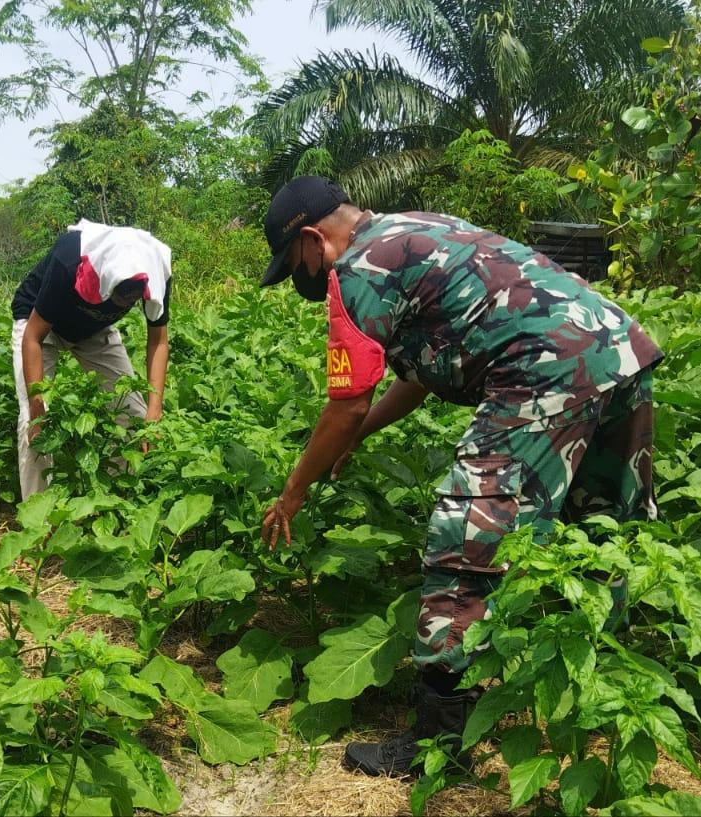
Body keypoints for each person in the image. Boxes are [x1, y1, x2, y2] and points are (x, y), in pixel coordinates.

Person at [257, 176, 663, 777]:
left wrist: (293, 493)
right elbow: (415, 379)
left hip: (542, 369)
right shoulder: (417, 229)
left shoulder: (358, 274)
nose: (303, 281)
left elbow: (345, 404)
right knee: (603, 520)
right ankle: (613, 683)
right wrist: (356, 440)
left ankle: (438, 746)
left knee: (468, 536)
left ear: (316, 239)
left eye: (298, 265)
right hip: (614, 348)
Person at [11, 219, 172, 500]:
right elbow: (33, 338)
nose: (126, 306)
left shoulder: (155, 268)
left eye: (133, 301)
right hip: (39, 325)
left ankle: (112, 503)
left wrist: (155, 409)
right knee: (36, 427)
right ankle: (39, 526)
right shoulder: (69, 259)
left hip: (93, 329)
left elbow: (157, 339)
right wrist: (38, 408)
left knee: (135, 418)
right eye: (121, 299)